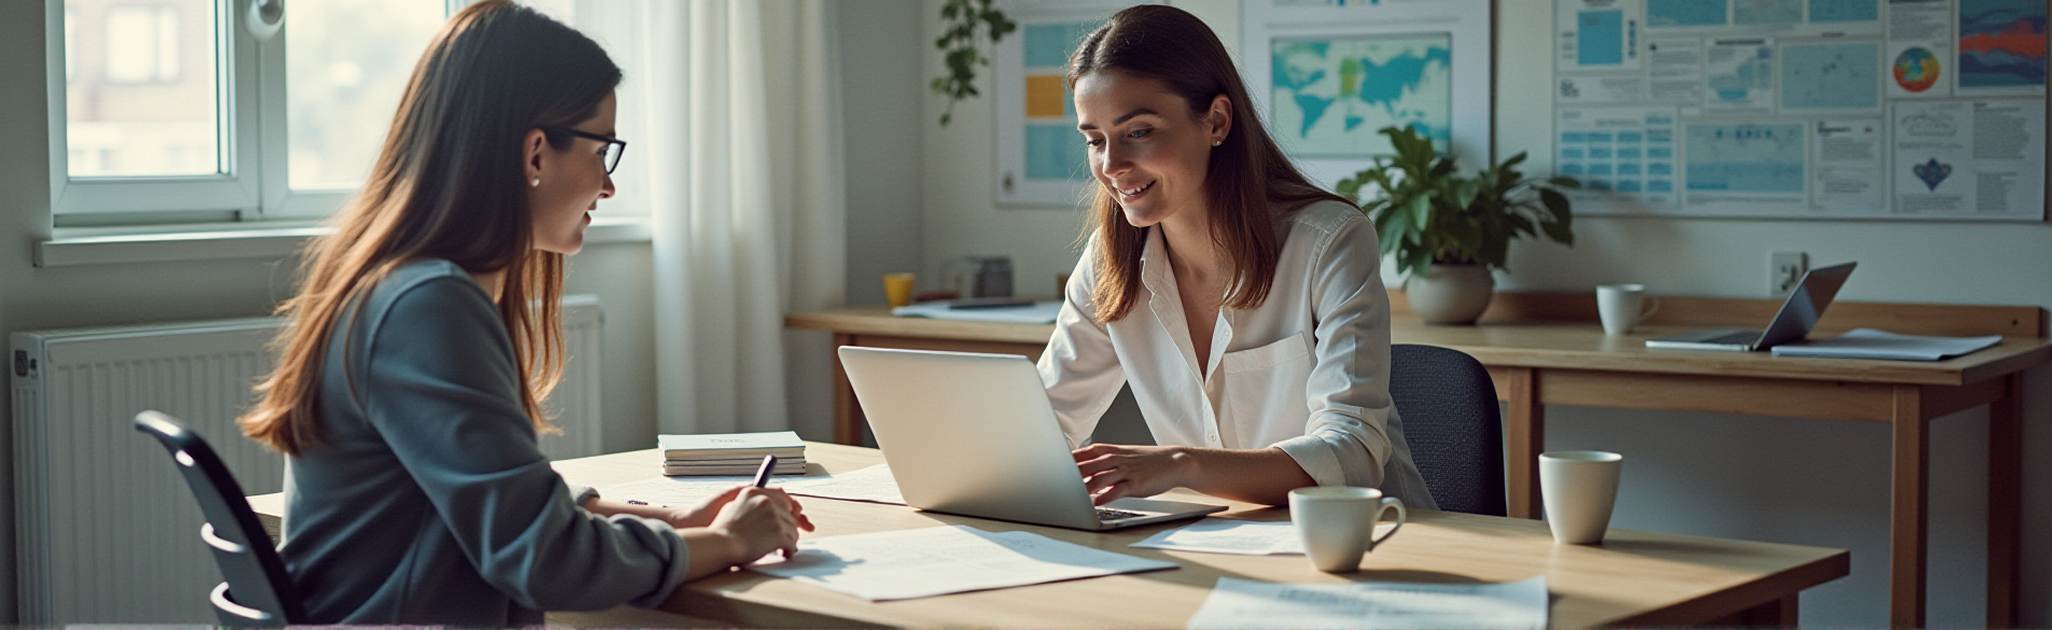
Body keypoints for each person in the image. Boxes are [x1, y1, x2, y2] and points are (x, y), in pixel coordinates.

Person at [235, 2, 810, 623]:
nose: (609, 185)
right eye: (602, 151)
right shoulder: (427, 306)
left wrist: (675, 521)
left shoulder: (396, 286)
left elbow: (505, 504)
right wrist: (727, 542)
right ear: (536, 153)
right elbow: (546, 560)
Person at [1039, 4, 1437, 510]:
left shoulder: (1328, 240)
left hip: (1371, 539)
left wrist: (1181, 465)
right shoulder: (1111, 258)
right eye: (1095, 140)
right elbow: (1044, 422)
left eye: (1138, 131)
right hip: (1219, 544)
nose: (1112, 165)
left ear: (1217, 121)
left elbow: (1352, 454)